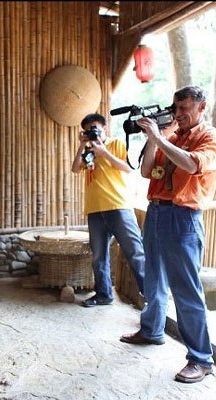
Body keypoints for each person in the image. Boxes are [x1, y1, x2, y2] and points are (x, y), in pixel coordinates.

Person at [120, 86, 216, 384]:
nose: (178, 114)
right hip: (155, 211)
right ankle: (152, 330)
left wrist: (157, 137)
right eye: (176, 108)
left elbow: (192, 164)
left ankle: (201, 359)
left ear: (201, 107)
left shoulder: (212, 137)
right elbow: (145, 172)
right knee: (152, 277)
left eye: (185, 109)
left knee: (186, 290)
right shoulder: (172, 134)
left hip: (183, 217)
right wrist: (152, 139)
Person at [71, 113, 145, 307]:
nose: (92, 132)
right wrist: (82, 145)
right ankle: (103, 294)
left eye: (95, 128)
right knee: (98, 257)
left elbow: (128, 168)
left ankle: (151, 296)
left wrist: (103, 152)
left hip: (118, 206)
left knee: (135, 252)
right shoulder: (88, 151)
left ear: (105, 128)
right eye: (88, 130)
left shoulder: (116, 143)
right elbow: (75, 168)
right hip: (95, 209)